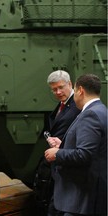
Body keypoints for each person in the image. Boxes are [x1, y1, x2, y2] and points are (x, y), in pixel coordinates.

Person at [45, 74, 107, 216]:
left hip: (83, 192)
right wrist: (63, 144)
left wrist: (57, 153)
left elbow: (85, 154)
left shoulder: (90, 114)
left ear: (80, 90)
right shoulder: (102, 110)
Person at [34, 70, 81, 215]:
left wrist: (63, 144)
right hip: (60, 162)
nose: (58, 92)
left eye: (61, 87)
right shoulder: (63, 104)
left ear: (70, 84)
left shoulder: (78, 105)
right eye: (54, 89)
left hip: (70, 164)